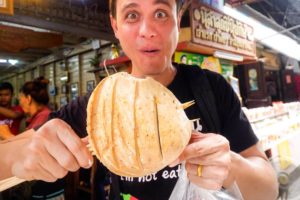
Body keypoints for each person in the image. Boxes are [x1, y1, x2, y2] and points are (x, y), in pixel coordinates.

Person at [0, 0, 278, 199]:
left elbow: (269, 188)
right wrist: (19, 157)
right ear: (115, 25)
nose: (148, 29)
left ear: (177, 16)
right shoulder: (99, 107)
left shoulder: (213, 88)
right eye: (132, 15)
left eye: (160, 12)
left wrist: (230, 167)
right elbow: (7, 158)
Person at [18, 77, 66, 200]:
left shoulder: (44, 116)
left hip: (49, 186)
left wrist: (5, 134)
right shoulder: (38, 116)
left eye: (21, 99)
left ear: (28, 99)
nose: (20, 103)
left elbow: (28, 147)